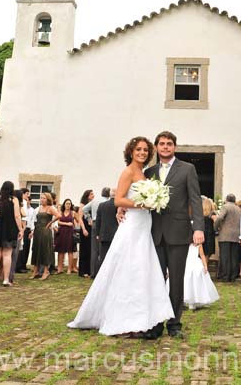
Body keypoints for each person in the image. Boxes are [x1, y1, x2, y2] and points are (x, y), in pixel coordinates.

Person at [68, 136, 174, 336]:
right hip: (133, 225)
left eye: (145, 150)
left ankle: (141, 317)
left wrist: (151, 201)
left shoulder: (143, 173)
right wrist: (142, 204)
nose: (142, 153)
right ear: (131, 152)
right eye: (138, 150)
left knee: (142, 269)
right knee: (130, 267)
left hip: (144, 224)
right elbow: (118, 200)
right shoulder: (127, 172)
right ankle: (123, 318)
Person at [144, 131, 204, 339]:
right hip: (154, 233)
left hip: (178, 232)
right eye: (162, 144)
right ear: (157, 147)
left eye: (169, 144)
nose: (165, 147)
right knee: (155, 280)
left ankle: (174, 323)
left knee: (176, 281)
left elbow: (195, 200)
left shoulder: (187, 169)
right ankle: (155, 324)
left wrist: (198, 228)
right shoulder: (149, 171)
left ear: (175, 147)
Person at [0, 181, 23, 287]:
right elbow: (17, 216)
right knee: (7, 255)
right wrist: (21, 229)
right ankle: (6, 279)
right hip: (10, 229)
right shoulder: (14, 200)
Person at [29, 192, 60, 280]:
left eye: (44, 198)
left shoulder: (50, 208)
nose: (42, 199)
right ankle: (36, 271)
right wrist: (33, 231)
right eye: (41, 198)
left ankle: (46, 271)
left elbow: (58, 215)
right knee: (36, 250)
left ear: (48, 199)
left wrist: (50, 223)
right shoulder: (39, 208)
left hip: (45, 231)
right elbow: (36, 221)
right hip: (38, 230)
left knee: (45, 250)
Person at [213, 194, 241, 282]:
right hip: (236, 234)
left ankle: (225, 276)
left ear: (226, 199)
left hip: (225, 234)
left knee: (225, 256)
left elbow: (220, 217)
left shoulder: (225, 207)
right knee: (234, 256)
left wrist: (216, 227)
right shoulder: (239, 209)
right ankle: (233, 276)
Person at [183, 242, 219, 310]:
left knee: (196, 283)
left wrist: (205, 265)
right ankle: (185, 300)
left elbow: (202, 255)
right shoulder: (184, 243)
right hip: (186, 263)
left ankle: (194, 301)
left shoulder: (198, 244)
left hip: (196, 264)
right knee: (186, 282)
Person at [88, 187, 110, 277]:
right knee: (102, 249)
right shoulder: (106, 202)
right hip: (102, 224)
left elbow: (84, 209)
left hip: (94, 223)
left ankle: (93, 272)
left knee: (94, 250)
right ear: (108, 194)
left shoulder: (94, 200)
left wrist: (89, 218)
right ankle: (101, 273)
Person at [95, 188, 118, 266]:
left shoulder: (102, 205)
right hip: (116, 234)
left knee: (104, 256)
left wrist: (97, 233)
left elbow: (98, 220)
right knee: (115, 256)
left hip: (104, 234)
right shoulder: (118, 205)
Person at [16, 188, 35, 273]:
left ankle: (23, 265)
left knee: (26, 248)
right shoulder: (21, 203)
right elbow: (23, 216)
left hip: (28, 228)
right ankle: (19, 266)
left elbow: (31, 220)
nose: (28, 196)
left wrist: (31, 230)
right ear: (23, 194)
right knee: (21, 248)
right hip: (22, 227)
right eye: (27, 194)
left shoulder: (31, 209)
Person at [55, 198, 75, 274]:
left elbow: (78, 221)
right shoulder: (61, 212)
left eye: (69, 204)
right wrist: (67, 224)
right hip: (61, 232)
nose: (68, 205)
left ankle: (69, 269)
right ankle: (59, 268)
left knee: (70, 251)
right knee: (61, 251)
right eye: (67, 203)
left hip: (70, 233)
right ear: (64, 204)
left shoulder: (73, 213)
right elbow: (58, 222)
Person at [78, 189, 93, 277]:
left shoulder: (91, 204)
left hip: (90, 227)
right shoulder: (82, 205)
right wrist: (84, 229)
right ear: (87, 196)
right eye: (91, 194)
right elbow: (80, 218)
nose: (93, 195)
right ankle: (83, 271)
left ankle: (89, 270)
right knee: (84, 249)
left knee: (90, 249)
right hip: (85, 227)